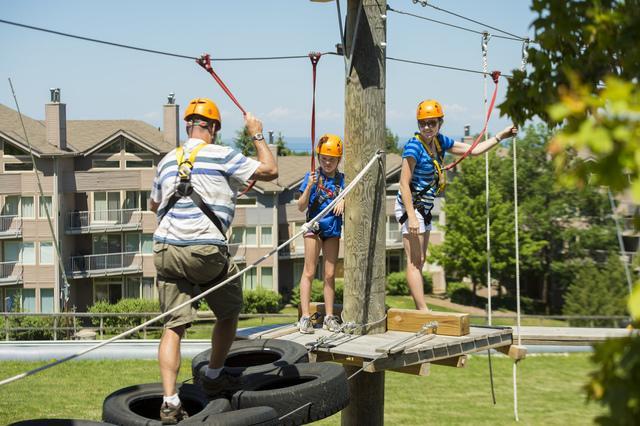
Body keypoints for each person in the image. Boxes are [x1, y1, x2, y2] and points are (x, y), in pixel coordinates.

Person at [150, 97, 277, 424]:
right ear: (215, 129)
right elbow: (270, 170)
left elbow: (155, 205)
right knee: (229, 310)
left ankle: (169, 401)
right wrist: (256, 134)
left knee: (173, 327)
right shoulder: (221, 154)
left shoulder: (166, 161)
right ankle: (215, 373)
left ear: (188, 125)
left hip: (165, 248)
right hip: (204, 250)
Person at [396, 99, 517, 311]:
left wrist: (500, 136)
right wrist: (412, 217)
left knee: (421, 259)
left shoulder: (440, 142)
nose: (427, 127)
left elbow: (475, 150)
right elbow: (403, 184)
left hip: (424, 208)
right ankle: (422, 310)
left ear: (440, 123)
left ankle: (420, 308)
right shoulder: (414, 146)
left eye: (432, 123)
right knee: (415, 261)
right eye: (423, 123)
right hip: (411, 206)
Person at [296, 134, 345, 334]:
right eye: (324, 158)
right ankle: (305, 316)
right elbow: (300, 207)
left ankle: (330, 316)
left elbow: (351, 197)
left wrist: (344, 200)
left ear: (338, 160)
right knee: (309, 271)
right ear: (319, 157)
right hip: (314, 227)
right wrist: (309, 187)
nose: (327, 163)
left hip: (331, 228)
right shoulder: (312, 177)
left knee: (330, 274)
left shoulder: (343, 181)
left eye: (331, 159)